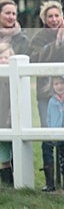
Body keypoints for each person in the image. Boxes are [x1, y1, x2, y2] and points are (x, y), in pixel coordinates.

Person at [28, 0, 64, 192]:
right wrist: (55, 44)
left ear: (62, 16)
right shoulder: (38, 38)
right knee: (47, 133)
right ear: (44, 19)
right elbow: (34, 59)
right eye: (50, 16)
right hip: (46, 93)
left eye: (56, 16)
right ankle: (50, 180)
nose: (54, 20)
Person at [0, 42, 14, 187]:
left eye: (6, 57)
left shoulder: (14, 78)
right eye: (1, 58)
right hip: (1, 122)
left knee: (16, 152)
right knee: (3, 154)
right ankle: (7, 182)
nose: (3, 60)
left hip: (14, 119)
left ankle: (19, 182)